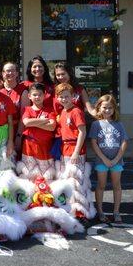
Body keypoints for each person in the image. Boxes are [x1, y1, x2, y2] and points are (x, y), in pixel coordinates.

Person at [55, 83, 96, 220]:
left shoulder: (76, 111)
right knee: (69, 182)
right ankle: (73, 209)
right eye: (61, 97)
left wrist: (76, 152)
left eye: (67, 96)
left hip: (74, 148)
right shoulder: (63, 112)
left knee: (78, 182)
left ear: (73, 96)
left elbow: (82, 132)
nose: (64, 99)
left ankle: (82, 213)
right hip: (65, 149)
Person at [90, 94, 129, 223]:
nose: (107, 110)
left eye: (110, 108)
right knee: (101, 185)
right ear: (99, 108)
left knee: (116, 186)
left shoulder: (119, 124)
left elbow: (124, 142)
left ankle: (116, 211)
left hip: (116, 161)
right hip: (102, 161)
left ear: (114, 109)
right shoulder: (96, 124)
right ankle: (100, 211)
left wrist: (116, 158)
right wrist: (104, 159)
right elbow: (94, 143)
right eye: (104, 107)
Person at [16, 83, 57, 181]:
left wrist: (33, 122)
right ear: (29, 96)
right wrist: (44, 120)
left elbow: (52, 127)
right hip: (29, 146)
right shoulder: (28, 109)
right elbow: (26, 122)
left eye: (40, 94)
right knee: (29, 175)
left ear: (45, 95)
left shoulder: (50, 110)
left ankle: (44, 195)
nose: (37, 97)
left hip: (45, 147)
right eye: (34, 95)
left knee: (45, 175)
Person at [0, 61, 29, 152]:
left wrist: (19, 136)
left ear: (17, 73)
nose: (10, 73)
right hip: (0, 132)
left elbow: (24, 116)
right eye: (7, 71)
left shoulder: (23, 91)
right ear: (3, 73)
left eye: (13, 71)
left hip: (16, 130)